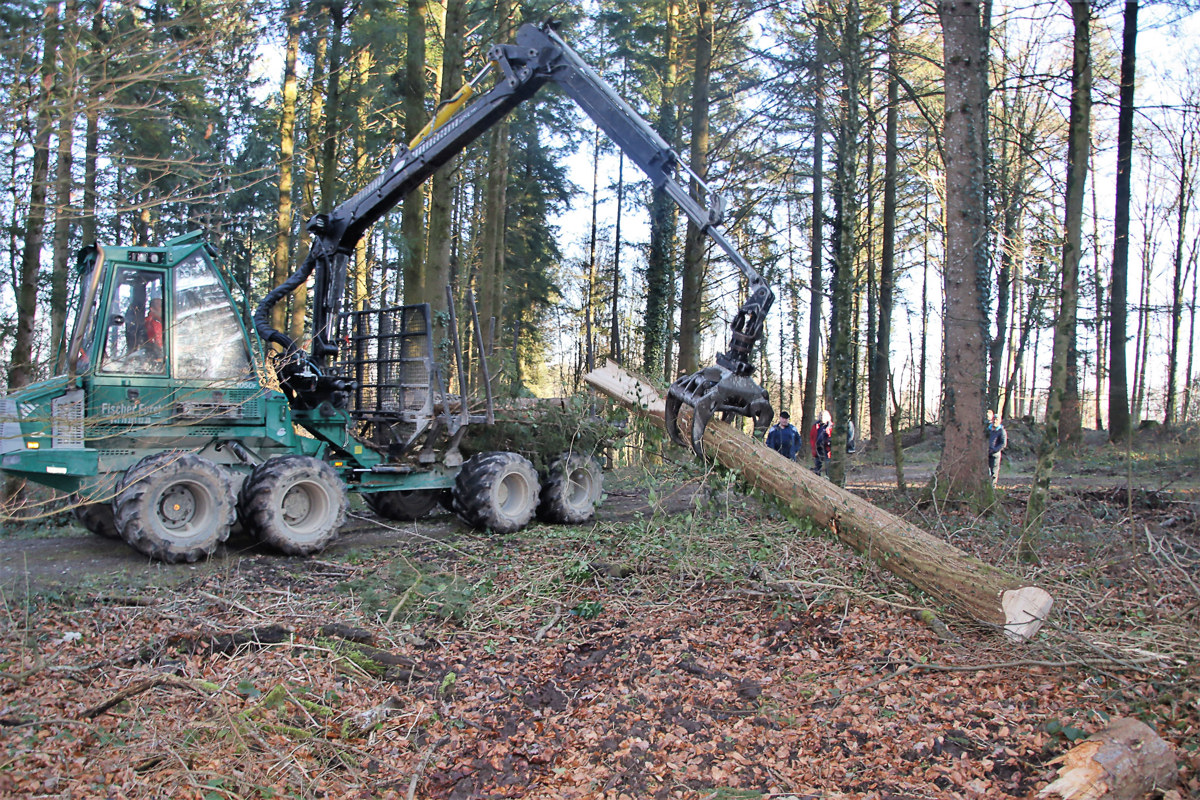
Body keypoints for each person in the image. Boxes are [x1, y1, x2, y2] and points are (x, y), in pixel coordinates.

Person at [988, 413, 1007, 485]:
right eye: (994, 419)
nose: (995, 421)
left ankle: (993, 487)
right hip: (986, 454)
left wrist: (994, 450)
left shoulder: (1001, 431)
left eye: (997, 420)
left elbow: (1003, 444)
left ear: (1000, 421)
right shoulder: (988, 430)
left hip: (995, 455)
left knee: (994, 472)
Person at [811, 409, 832, 476]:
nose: (822, 417)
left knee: (828, 466)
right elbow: (812, 437)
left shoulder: (831, 426)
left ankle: (829, 478)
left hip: (827, 449)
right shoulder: (816, 426)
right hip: (818, 448)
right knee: (817, 466)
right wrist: (813, 447)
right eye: (820, 416)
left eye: (823, 416)